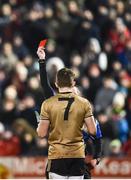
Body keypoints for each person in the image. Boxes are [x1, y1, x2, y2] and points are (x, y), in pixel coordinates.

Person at [37, 47, 102, 179]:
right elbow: (95, 134)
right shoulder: (83, 105)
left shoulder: (50, 103)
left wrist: (42, 61)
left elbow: (45, 85)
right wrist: (97, 157)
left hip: (58, 157)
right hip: (77, 158)